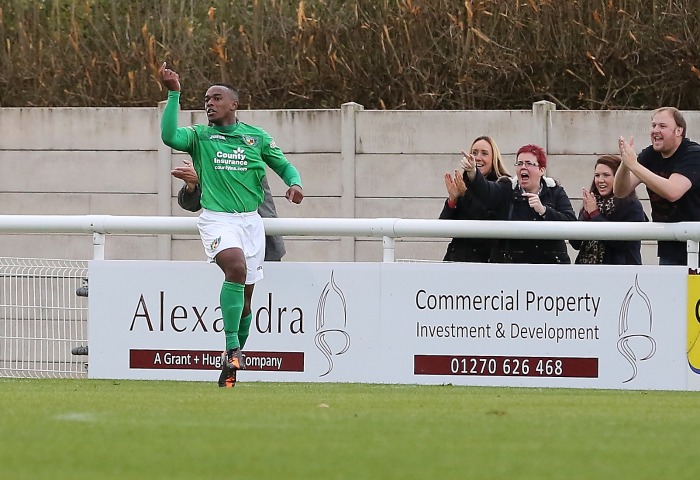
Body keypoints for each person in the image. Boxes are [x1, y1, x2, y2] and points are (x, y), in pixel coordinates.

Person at [158, 62, 303, 388]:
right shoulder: (199, 136)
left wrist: (295, 184)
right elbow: (169, 135)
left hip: (251, 223)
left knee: (248, 301)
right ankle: (233, 346)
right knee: (235, 268)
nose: (209, 103)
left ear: (233, 105)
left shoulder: (256, 137)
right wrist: (173, 94)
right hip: (217, 219)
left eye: (216, 98)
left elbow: (284, 166)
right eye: (206, 99)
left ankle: (231, 361)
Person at [461, 143, 576, 264]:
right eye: (519, 163)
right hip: (512, 269)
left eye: (529, 163)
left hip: (550, 268)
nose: (523, 167)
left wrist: (544, 211)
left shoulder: (555, 191)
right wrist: (473, 172)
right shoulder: (507, 188)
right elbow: (487, 191)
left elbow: (571, 224)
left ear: (542, 170)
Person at [614, 107, 700, 265]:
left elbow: (673, 191)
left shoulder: (693, 153)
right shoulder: (650, 155)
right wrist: (625, 164)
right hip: (669, 247)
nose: (655, 130)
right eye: (653, 125)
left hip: (696, 244)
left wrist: (634, 165)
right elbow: (620, 191)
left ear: (679, 130)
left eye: (662, 126)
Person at [172, 160, 286, 261]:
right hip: (226, 243)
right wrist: (191, 187)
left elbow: (239, 189)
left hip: (261, 241)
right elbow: (190, 204)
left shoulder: (250, 150)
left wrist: (204, 176)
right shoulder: (209, 154)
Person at [439, 136, 510, 262]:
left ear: (494, 158)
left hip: (485, 265)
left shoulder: (502, 185)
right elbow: (443, 228)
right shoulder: (463, 184)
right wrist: (452, 200)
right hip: (455, 262)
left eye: (484, 153)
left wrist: (465, 195)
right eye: (474, 152)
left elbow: (487, 220)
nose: (478, 158)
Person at [570, 155, 646, 265]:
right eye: (597, 175)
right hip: (587, 273)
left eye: (606, 175)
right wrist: (586, 216)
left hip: (620, 273)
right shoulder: (592, 202)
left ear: (618, 178)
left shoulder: (632, 205)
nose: (600, 180)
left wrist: (595, 215)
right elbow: (575, 243)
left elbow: (623, 243)